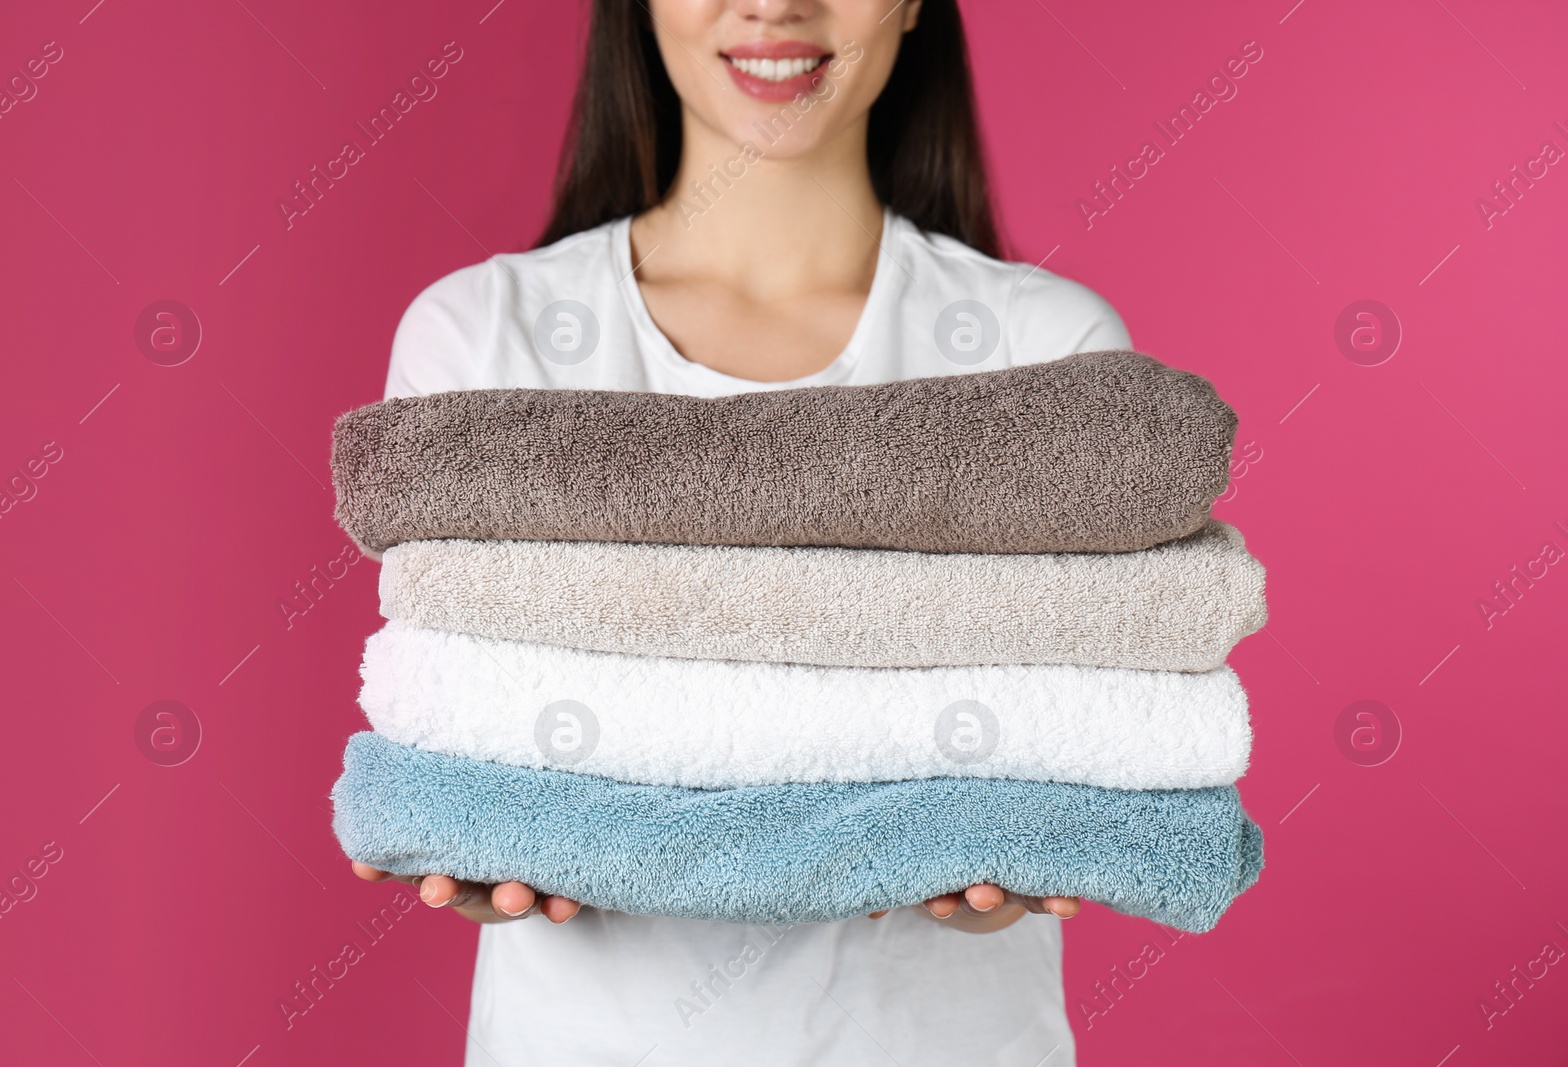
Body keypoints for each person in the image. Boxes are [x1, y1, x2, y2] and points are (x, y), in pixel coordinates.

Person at [352, 0, 1131, 1061]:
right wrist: (474, 820)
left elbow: (1089, 716)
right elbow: (450, 708)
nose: (775, 4)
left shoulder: (1049, 351)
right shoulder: (484, 341)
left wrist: (1043, 833)